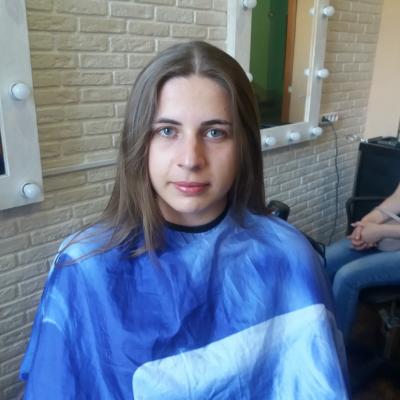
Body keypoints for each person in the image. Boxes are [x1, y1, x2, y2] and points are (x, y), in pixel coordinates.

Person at [20, 41, 348, 399]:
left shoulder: (288, 256)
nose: (190, 159)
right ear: (139, 142)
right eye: (167, 131)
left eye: (215, 132)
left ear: (244, 145)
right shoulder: (85, 267)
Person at [325, 183, 400, 341]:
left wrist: (381, 231)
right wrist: (366, 223)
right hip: (391, 237)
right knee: (325, 260)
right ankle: (315, 329)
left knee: (346, 277)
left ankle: (335, 347)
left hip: (390, 236)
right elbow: (397, 198)